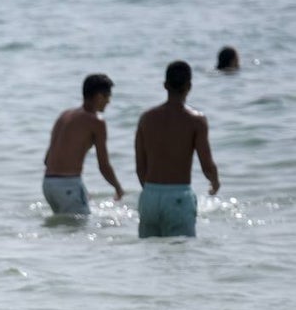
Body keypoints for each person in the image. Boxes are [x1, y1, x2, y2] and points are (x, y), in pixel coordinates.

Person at [134, 61, 220, 238]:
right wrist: (215, 181)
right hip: (178, 197)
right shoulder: (196, 120)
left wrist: (152, 190)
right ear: (189, 86)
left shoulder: (146, 118)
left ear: (165, 85)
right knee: (181, 257)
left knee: (150, 255)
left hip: (149, 195)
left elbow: (140, 166)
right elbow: (207, 164)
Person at [41, 74, 124, 216]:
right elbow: (103, 165)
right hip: (68, 185)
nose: (109, 101)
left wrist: (80, 190)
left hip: (48, 184)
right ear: (98, 96)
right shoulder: (96, 122)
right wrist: (118, 188)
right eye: (107, 96)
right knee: (81, 231)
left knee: (64, 231)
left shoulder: (65, 115)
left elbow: (47, 160)